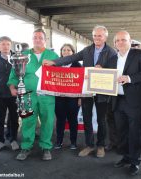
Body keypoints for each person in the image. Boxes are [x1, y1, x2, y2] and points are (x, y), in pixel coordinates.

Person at [43, 25, 117, 158]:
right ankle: (89, 145)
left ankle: (100, 145)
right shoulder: (87, 50)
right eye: (94, 35)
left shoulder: (111, 52)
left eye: (99, 36)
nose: (96, 38)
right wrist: (54, 62)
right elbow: (71, 58)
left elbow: (115, 70)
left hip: (103, 90)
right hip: (86, 89)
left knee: (101, 120)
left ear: (105, 37)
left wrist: (103, 69)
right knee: (87, 118)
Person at [105, 31, 141, 176]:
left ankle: (135, 161)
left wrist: (129, 78)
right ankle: (126, 157)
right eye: (117, 40)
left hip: (135, 100)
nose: (120, 42)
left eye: (123, 40)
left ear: (130, 41)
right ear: (114, 44)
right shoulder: (112, 58)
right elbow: (106, 75)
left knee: (135, 131)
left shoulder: (140, 54)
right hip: (118, 100)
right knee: (122, 130)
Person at [8, 29, 59, 161]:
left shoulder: (53, 55)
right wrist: (12, 86)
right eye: (35, 37)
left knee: (48, 121)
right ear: (32, 39)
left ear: (45, 40)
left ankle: (46, 147)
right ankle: (26, 146)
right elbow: (14, 74)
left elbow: (60, 74)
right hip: (27, 94)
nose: (38, 40)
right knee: (27, 121)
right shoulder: (23, 55)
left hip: (47, 95)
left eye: (40, 38)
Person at [0, 36, 19, 152]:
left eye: (7, 44)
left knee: (14, 119)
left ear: (10, 45)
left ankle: (13, 139)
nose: (5, 46)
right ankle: (0, 141)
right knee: (0, 120)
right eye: (3, 44)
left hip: (14, 94)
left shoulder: (17, 58)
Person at [54, 44, 81, 150]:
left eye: (68, 50)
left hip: (73, 98)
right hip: (59, 98)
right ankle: (59, 141)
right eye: (63, 50)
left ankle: (73, 142)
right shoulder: (56, 64)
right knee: (60, 120)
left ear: (73, 52)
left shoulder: (77, 65)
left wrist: (80, 98)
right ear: (61, 52)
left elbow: (81, 83)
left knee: (73, 120)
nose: (66, 52)